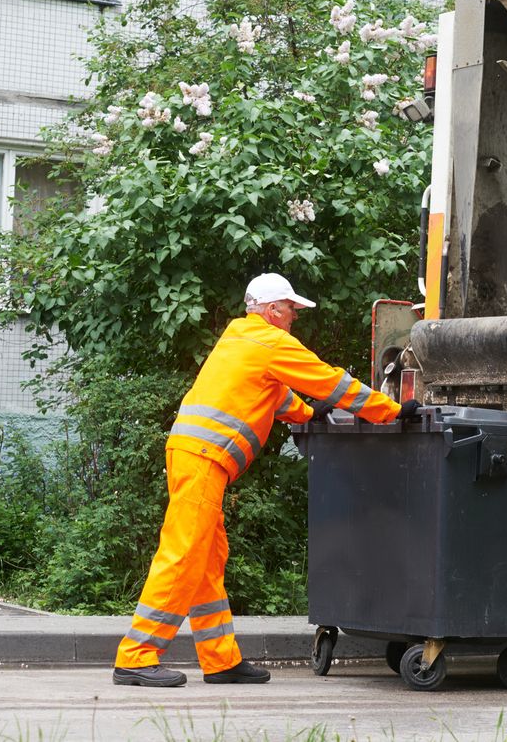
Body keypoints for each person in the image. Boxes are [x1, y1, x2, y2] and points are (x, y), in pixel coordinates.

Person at [112, 273, 418, 687]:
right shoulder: (270, 341)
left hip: (194, 455)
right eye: (291, 309)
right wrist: (390, 411)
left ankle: (220, 660)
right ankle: (136, 656)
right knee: (184, 553)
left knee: (206, 559)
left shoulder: (242, 337)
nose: (294, 317)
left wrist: (309, 415)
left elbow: (271, 393)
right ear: (273, 309)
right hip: (203, 458)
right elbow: (329, 381)